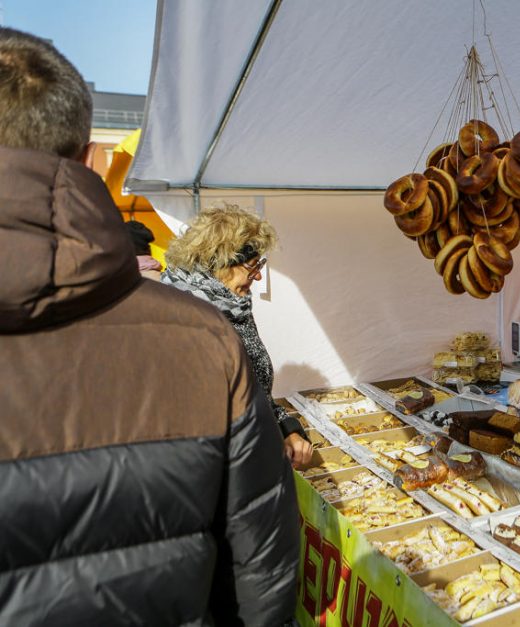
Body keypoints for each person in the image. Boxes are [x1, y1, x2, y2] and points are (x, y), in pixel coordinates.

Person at [0, 28, 299, 624]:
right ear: (94, 161)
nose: (257, 274)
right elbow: (263, 566)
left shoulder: (212, 329)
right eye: (250, 262)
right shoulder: (204, 335)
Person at [162, 205, 314, 468]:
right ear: (218, 263)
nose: (257, 276)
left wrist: (286, 428)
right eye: (252, 266)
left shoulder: (235, 304)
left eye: (260, 265)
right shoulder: (178, 316)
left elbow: (256, 393)